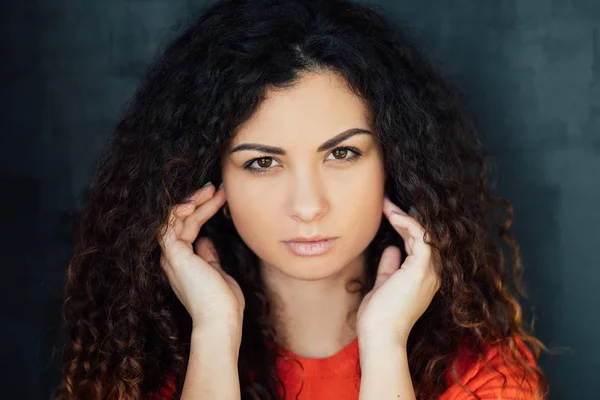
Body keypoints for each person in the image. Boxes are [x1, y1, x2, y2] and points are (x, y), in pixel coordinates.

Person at [52, 0, 550, 399]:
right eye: (262, 162)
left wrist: (385, 348)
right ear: (210, 182)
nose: (308, 206)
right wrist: (213, 332)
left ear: (393, 163)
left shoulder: (483, 379)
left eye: (342, 152)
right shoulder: (145, 374)